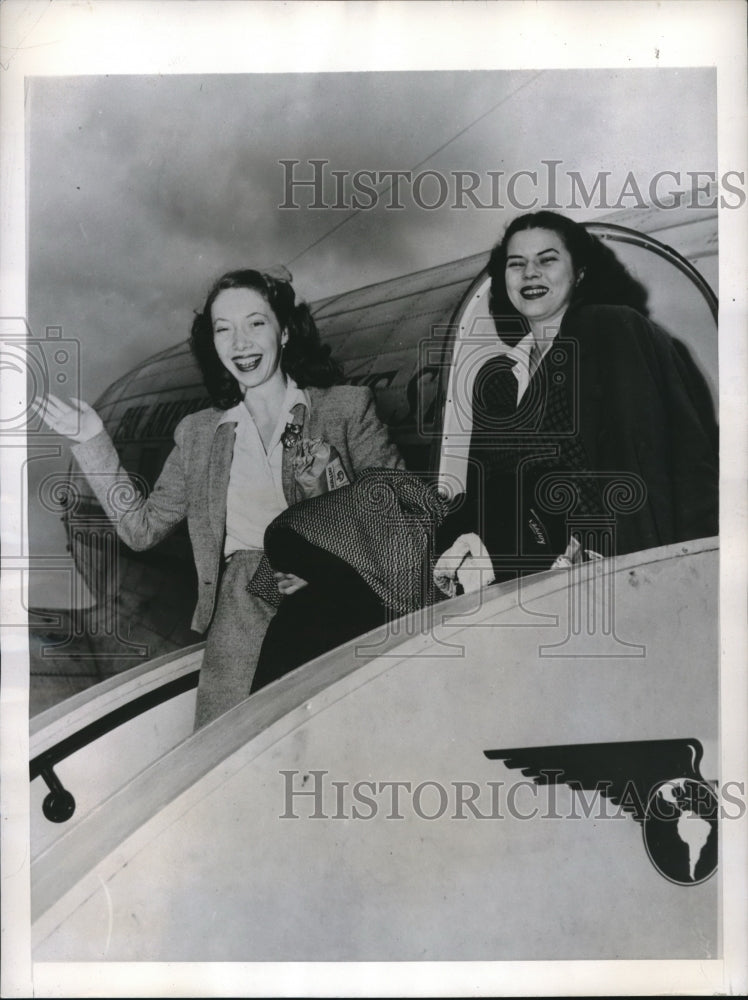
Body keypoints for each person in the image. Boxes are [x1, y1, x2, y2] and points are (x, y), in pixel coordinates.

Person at [41, 267, 404, 727]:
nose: (240, 344)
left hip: (335, 611)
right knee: (232, 763)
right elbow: (141, 530)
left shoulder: (347, 408)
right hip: (241, 619)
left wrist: (333, 567)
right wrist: (93, 440)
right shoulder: (198, 434)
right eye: (223, 329)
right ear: (212, 345)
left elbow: (401, 517)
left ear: (285, 330)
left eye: (256, 323)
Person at [436, 210, 719, 591]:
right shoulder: (496, 379)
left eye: (547, 259)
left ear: (580, 272)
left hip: (621, 576)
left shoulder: (613, 330)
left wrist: (684, 576)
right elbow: (485, 489)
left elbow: (668, 465)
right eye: (515, 264)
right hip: (522, 578)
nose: (530, 273)